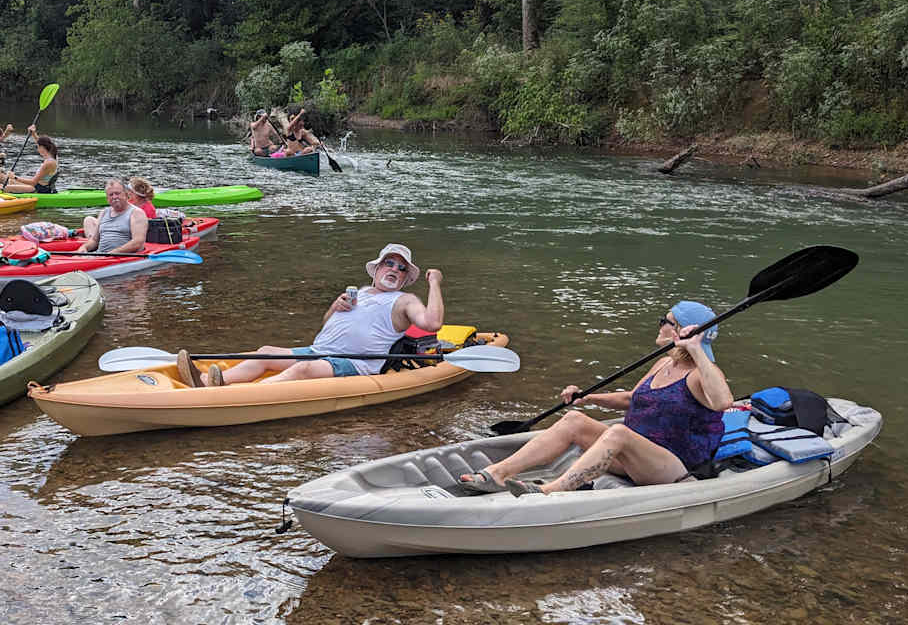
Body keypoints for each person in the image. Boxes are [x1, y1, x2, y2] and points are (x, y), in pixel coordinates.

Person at [458, 301, 732, 495]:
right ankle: (498, 473)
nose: (660, 325)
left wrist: (696, 349)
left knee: (619, 432)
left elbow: (722, 403)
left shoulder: (701, 373)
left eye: (666, 321)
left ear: (681, 330)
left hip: (673, 467)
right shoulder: (663, 363)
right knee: (575, 420)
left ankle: (550, 490)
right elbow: (632, 399)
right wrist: (587, 398)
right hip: (634, 457)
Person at [177, 243, 444, 388]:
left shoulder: (404, 300)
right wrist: (334, 308)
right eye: (389, 263)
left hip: (355, 364)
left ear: (405, 278)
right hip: (321, 350)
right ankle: (209, 382)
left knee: (303, 368)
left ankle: (241, 395)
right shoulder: (359, 292)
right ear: (375, 269)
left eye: (401, 268)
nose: (394, 270)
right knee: (266, 351)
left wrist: (434, 283)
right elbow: (328, 324)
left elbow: (432, 323)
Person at [81, 178, 148, 254]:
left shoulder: (136, 213)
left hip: (121, 258)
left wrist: (113, 252)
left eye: (117, 193)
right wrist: (84, 247)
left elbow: (138, 243)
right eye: (111, 195)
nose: (114, 197)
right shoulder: (104, 213)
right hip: (101, 256)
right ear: (107, 198)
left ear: (126, 194)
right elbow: (94, 240)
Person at [2, 127, 58, 194]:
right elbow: (41, 143)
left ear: (42, 148)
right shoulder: (54, 157)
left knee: (2, 187)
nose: (37, 149)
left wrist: (14, 177)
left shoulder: (48, 163)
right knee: (11, 181)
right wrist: (33, 134)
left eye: (38, 147)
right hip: (40, 186)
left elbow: (33, 182)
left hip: (38, 189)